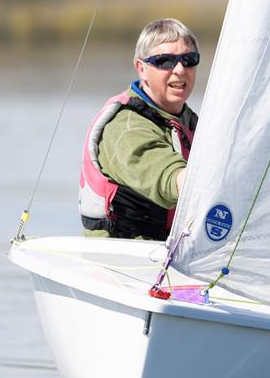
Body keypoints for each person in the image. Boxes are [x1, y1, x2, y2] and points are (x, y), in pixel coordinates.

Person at [79, 18, 200, 240]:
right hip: (121, 261)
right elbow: (168, 178)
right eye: (165, 61)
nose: (180, 70)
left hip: (171, 255)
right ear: (141, 69)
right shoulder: (125, 129)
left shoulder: (189, 122)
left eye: (189, 59)